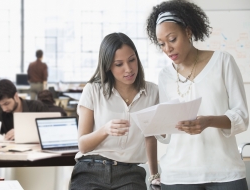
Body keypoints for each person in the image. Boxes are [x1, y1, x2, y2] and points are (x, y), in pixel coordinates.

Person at [145, 0, 249, 189]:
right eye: (161, 43)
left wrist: (208, 121)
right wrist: (153, 123)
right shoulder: (165, 75)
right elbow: (168, 133)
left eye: (172, 39)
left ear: (188, 31)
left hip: (225, 172)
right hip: (178, 175)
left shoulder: (223, 62)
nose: (167, 48)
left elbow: (242, 117)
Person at [69, 32, 159, 190]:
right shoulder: (93, 90)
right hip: (91, 170)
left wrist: (154, 176)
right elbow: (83, 145)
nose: (129, 69)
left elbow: (150, 137)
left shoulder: (152, 92)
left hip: (130, 174)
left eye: (132, 60)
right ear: (108, 66)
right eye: (119, 64)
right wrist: (105, 130)